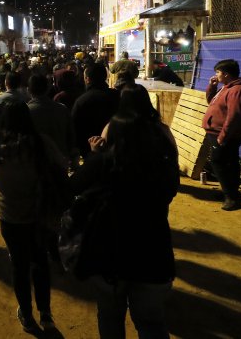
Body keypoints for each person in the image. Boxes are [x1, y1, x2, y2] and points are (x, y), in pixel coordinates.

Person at [72, 98, 180, 339]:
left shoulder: (102, 162)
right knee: (151, 323)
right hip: (153, 253)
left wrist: (95, 155)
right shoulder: (160, 166)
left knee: (110, 317)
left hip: (110, 255)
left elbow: (73, 188)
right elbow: (171, 190)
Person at [0, 101, 57, 333]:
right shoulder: (40, 143)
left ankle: (26, 312)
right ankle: (45, 313)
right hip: (38, 211)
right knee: (40, 261)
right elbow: (59, 165)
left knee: (19, 263)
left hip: (9, 212)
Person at [202, 59, 241, 211]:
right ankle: (229, 192)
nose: (216, 75)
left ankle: (231, 197)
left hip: (225, 134)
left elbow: (234, 116)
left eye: (218, 72)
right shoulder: (226, 87)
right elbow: (210, 101)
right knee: (227, 162)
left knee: (221, 162)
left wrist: (223, 137)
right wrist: (212, 87)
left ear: (225, 74)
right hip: (218, 132)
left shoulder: (237, 90)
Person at [71, 64, 119, 159]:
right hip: (115, 145)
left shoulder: (82, 100)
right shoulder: (117, 95)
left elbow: (75, 126)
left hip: (89, 147)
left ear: (87, 79)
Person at [27, 74, 76, 165]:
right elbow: (71, 136)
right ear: (48, 88)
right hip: (60, 160)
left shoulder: (25, 112)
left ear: (28, 90)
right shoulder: (62, 109)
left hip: (36, 162)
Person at [0, 71, 27, 136]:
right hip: (19, 138)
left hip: (1, 138)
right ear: (19, 84)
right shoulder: (25, 99)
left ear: (5, 83)